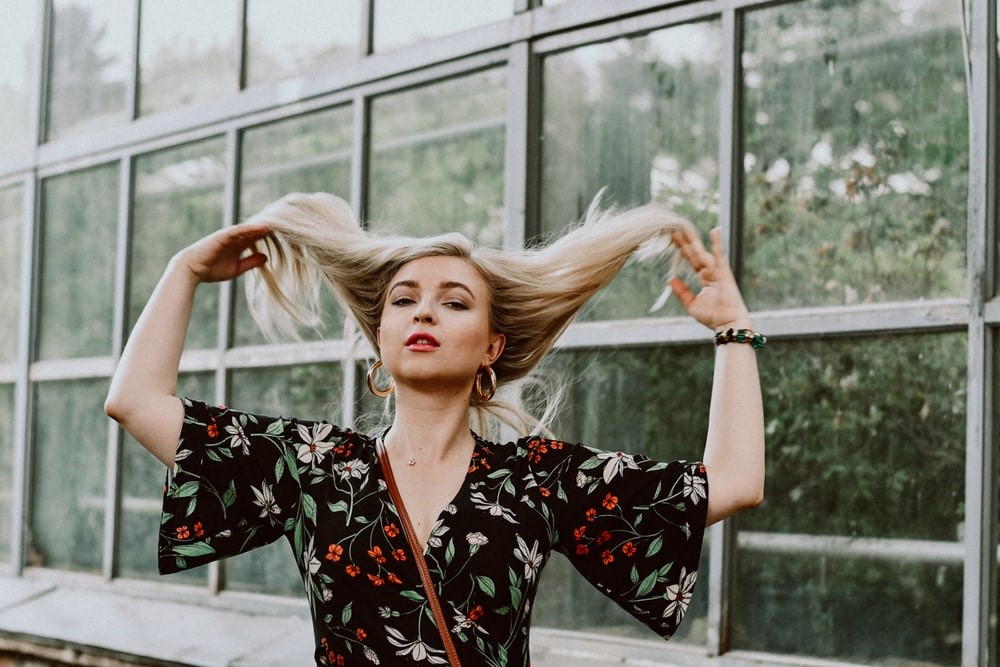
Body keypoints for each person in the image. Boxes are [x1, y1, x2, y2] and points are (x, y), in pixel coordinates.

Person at [105, 192, 765, 666]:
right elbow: (134, 400)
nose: (425, 310)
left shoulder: (535, 479)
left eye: (454, 301)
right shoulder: (311, 465)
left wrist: (733, 331)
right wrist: (185, 269)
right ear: (381, 339)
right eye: (403, 299)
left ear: (490, 347)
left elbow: (734, 482)